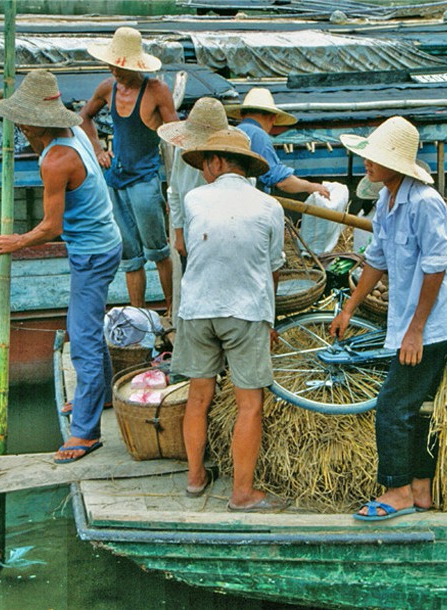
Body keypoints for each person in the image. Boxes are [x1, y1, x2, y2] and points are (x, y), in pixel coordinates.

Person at [331, 116, 447, 521]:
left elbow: (437, 266)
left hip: (432, 324)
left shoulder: (425, 203)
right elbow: (375, 259)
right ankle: (420, 488)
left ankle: (398, 491)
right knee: (416, 404)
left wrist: (416, 330)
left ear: (399, 165)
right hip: (411, 322)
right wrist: (350, 307)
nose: (367, 164)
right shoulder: (386, 203)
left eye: (376, 158)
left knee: (392, 405)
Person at [0, 70, 122, 463]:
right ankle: (98, 397)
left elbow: (52, 227)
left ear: (33, 121)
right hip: (102, 244)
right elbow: (36, 137)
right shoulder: (73, 131)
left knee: (81, 338)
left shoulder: (58, 161)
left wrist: (17, 241)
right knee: (87, 325)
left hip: (93, 253)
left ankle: (86, 432)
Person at [175, 127, 289, 512]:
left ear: (217, 161)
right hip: (246, 310)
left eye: (206, 163)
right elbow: (273, 268)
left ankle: (194, 479)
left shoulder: (194, 199)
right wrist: (268, 319)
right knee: (249, 404)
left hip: (197, 308)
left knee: (198, 396)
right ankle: (242, 493)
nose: (204, 170)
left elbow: (193, 249)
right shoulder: (270, 206)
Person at [80, 26, 178, 313]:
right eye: (112, 65)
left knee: (158, 249)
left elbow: (174, 136)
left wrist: (175, 190)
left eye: (121, 66)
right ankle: (139, 315)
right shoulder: (106, 88)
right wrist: (98, 150)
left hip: (145, 181)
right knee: (130, 256)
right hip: (115, 181)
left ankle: (171, 311)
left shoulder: (157, 90)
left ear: (136, 65)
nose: (116, 71)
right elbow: (84, 117)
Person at [157, 97, 229, 267]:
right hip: (191, 233)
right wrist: (179, 235)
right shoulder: (182, 151)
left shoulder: (232, 156)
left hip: (224, 235)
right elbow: (174, 192)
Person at [225, 87, 330, 200]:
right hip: (247, 200)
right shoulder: (258, 134)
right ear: (272, 118)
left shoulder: (232, 131)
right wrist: (311, 187)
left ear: (242, 115)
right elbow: (280, 180)